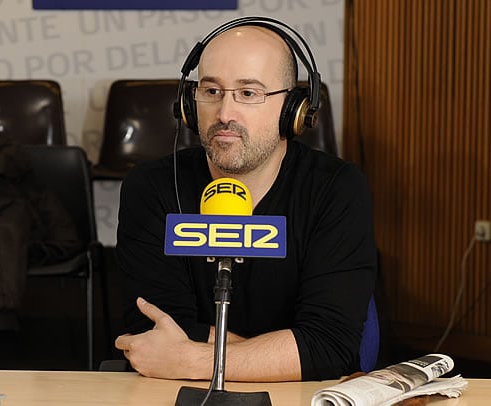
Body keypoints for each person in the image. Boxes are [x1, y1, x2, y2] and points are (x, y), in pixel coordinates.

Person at [114, 18, 377, 382]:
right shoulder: (152, 186)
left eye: (249, 93)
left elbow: (330, 347)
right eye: (211, 91)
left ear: (294, 110)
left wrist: (193, 360)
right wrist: (280, 356)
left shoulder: (336, 188)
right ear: (189, 104)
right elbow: (154, 332)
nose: (224, 114)